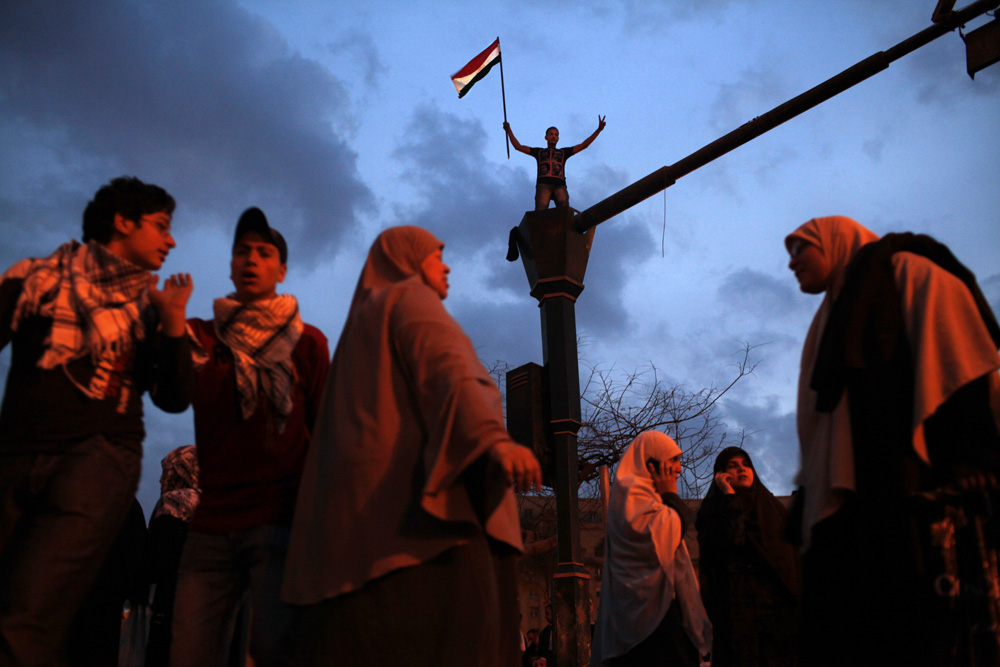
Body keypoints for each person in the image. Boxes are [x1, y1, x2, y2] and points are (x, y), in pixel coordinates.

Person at [282, 225, 542, 667]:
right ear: (407, 261)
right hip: (428, 536)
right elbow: (452, 371)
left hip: (358, 556)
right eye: (436, 256)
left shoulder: (358, 333)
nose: (446, 266)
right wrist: (492, 438)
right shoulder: (408, 298)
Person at [785, 215, 1000, 666]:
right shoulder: (828, 320)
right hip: (848, 520)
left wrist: (962, 465)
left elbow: (960, 361)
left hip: (909, 504)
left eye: (800, 248)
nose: (791, 263)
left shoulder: (908, 273)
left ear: (835, 240)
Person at [0, 176, 194, 666]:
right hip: (18, 453)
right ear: (122, 222)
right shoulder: (37, 277)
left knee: (29, 612)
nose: (170, 240)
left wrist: (173, 324)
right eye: (161, 226)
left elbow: (174, 398)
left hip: (98, 460)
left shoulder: (150, 309)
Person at [170, 208, 329, 667]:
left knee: (276, 651)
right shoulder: (200, 334)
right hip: (211, 521)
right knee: (188, 653)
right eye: (242, 251)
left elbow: (323, 432)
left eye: (264, 252)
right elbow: (172, 396)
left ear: (281, 270)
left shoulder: (308, 343)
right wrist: (169, 323)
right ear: (230, 264)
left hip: (280, 520)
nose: (251, 260)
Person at [590, 431, 712, 667]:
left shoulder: (649, 500)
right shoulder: (631, 492)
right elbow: (664, 533)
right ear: (651, 463)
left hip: (662, 616)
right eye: (673, 461)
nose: (678, 469)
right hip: (645, 625)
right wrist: (670, 495)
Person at [695, 447, 800, 667]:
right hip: (737, 622)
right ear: (721, 475)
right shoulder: (712, 515)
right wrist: (730, 499)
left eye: (746, 464)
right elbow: (732, 541)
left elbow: (792, 563)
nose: (741, 469)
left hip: (779, 622)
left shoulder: (773, 511)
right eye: (732, 466)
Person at [146, 445, 200, 667]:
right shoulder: (213, 506)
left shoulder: (172, 503)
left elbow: (157, 563)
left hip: (169, 610)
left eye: (167, 472)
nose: (161, 480)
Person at [504, 117, 606, 211]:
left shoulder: (563, 152)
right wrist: (509, 130)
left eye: (556, 134)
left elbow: (584, 145)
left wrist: (599, 130)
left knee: (564, 214)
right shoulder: (539, 152)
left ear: (558, 138)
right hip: (543, 184)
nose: (554, 136)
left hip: (559, 184)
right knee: (540, 214)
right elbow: (518, 146)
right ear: (546, 137)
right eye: (551, 134)